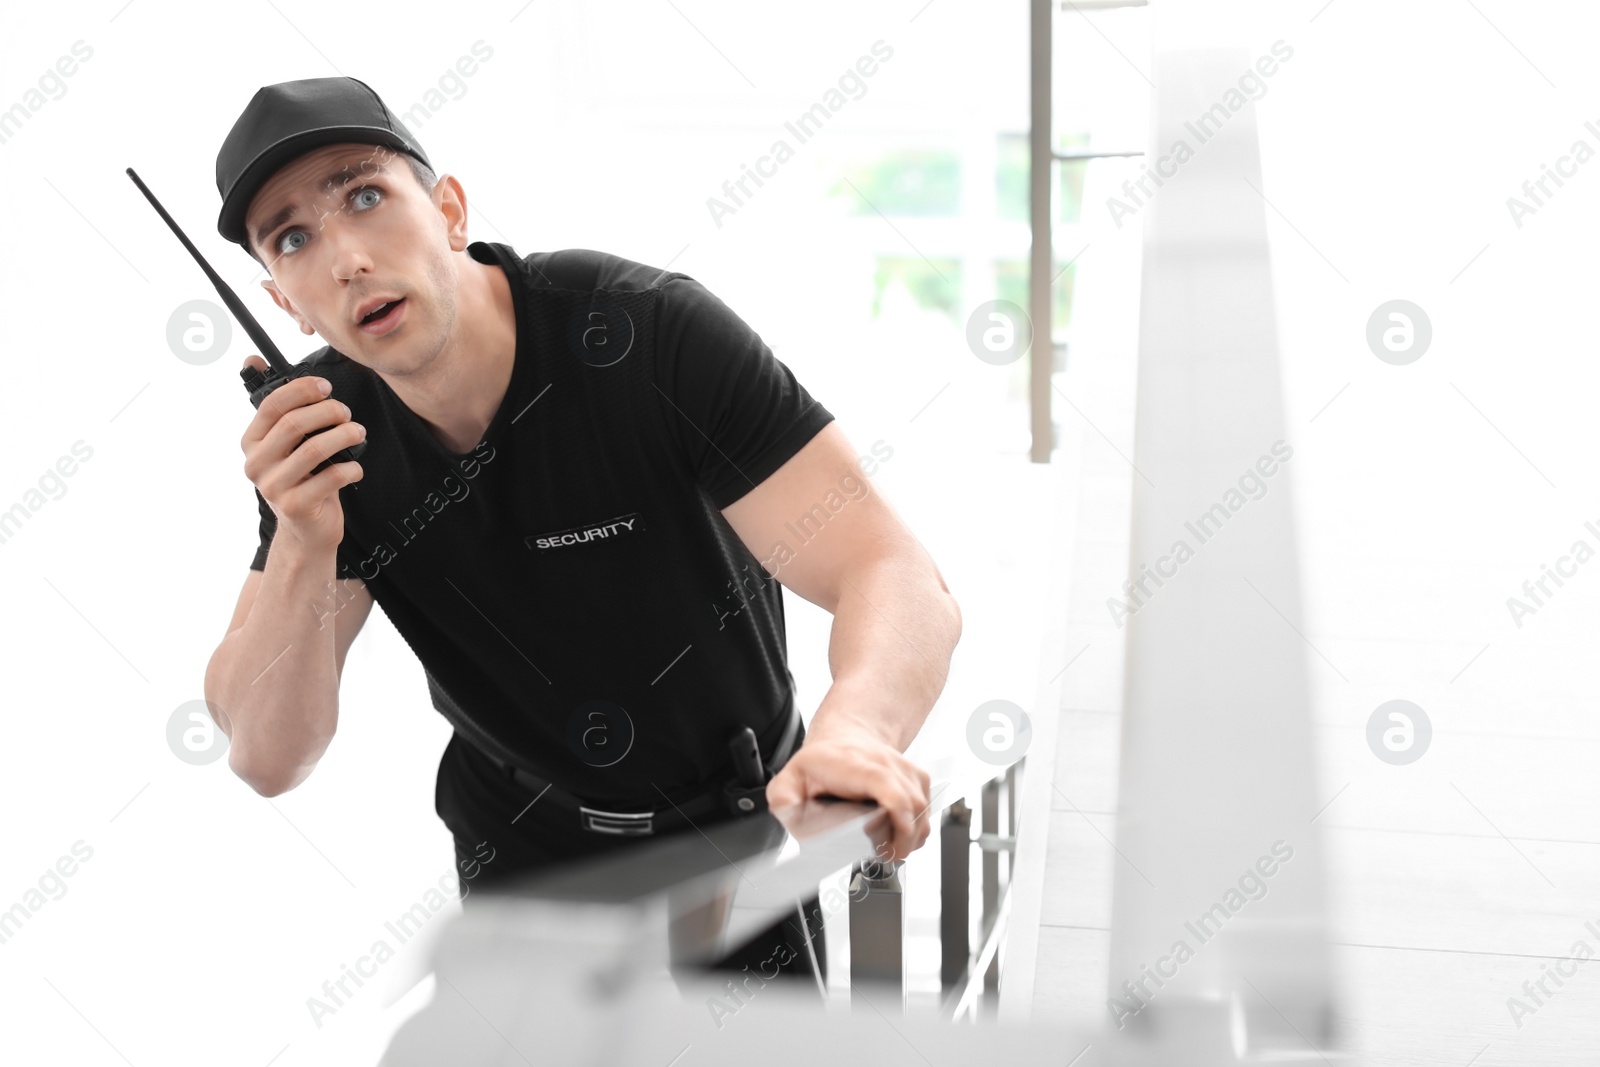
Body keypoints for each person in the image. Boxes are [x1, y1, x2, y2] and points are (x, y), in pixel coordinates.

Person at [200, 76, 961, 988]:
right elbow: (266, 754)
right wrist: (303, 536)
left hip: (730, 829)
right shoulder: (326, 439)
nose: (345, 258)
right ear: (282, 303)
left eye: (365, 195)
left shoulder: (644, 333)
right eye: (293, 238)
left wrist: (857, 731)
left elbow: (888, 566)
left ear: (447, 209)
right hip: (518, 854)